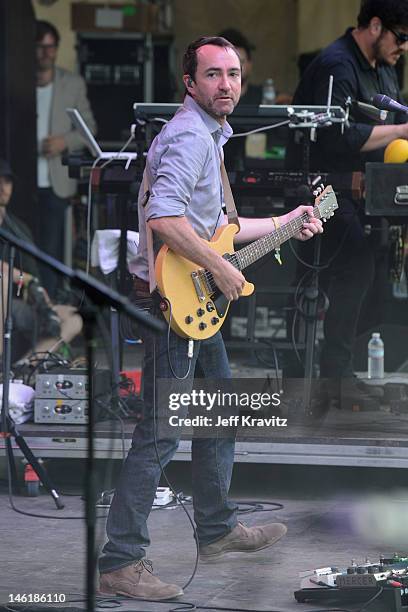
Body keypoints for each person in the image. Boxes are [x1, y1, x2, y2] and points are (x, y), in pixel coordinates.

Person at [98, 36, 323, 601]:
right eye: (214, 75)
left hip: (197, 303)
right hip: (179, 304)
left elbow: (217, 227)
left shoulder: (210, 137)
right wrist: (221, 271)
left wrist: (289, 219)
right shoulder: (188, 138)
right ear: (190, 84)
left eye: (234, 74)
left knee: (220, 409)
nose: (227, 84)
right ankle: (121, 560)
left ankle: (218, 530)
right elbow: (165, 219)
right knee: (159, 433)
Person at [286, 0, 408, 399]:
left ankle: (343, 371)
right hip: (323, 191)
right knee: (355, 266)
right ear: (375, 26)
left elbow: (387, 128)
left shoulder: (386, 67)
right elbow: (339, 137)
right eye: (401, 37)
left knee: (368, 270)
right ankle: (333, 377)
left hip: (366, 192)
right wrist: (402, 131)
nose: (403, 47)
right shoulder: (337, 65)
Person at [35, 20, 96, 299]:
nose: (45, 53)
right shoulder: (15, 81)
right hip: (17, 183)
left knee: (50, 252)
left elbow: (89, 130)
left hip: (55, 182)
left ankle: (48, 310)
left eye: (51, 46)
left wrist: (63, 142)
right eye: (40, 47)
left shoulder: (71, 84)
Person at [0, 159, 83, 363]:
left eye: (7, 181)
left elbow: (34, 276)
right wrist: (24, 278)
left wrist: (40, 295)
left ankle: (22, 370)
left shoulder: (18, 228)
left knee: (75, 318)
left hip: (18, 304)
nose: (3, 187)